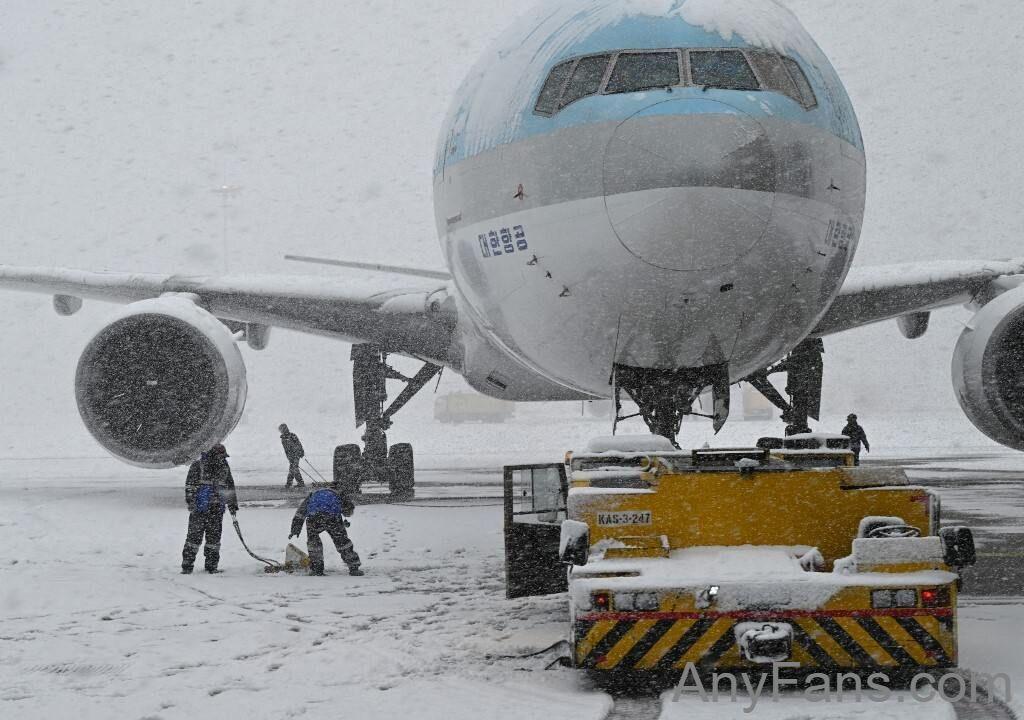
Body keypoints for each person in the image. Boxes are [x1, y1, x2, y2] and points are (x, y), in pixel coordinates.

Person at [181, 444, 239, 574]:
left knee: (213, 541)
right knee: (193, 539)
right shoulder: (198, 466)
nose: (223, 459)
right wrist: (191, 501)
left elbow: (229, 487)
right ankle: (187, 566)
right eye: (221, 456)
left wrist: (232, 505)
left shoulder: (224, 467)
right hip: (199, 510)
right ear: (214, 455)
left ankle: (212, 566)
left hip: (216, 510)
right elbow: (190, 486)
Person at [289, 484, 363, 576]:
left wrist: (295, 528)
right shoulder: (340, 494)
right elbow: (348, 511)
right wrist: (345, 513)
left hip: (314, 518)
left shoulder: (313, 494)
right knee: (342, 542)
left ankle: (317, 568)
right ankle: (353, 567)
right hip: (332, 518)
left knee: (314, 543)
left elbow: (301, 512)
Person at [279, 423, 305, 489]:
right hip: (291, 456)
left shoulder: (292, 435)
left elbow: (299, 444)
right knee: (292, 469)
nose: (281, 431)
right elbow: (286, 450)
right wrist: (289, 457)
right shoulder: (283, 439)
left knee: (294, 468)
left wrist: (301, 452)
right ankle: (296, 483)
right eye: (281, 429)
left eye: (282, 429)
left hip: (296, 454)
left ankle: (293, 483)